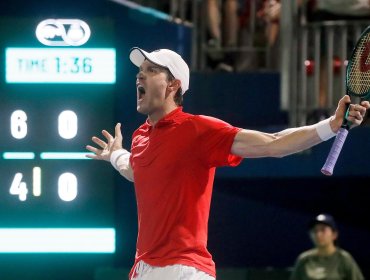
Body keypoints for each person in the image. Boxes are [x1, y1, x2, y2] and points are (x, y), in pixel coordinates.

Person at [85, 48, 369, 280]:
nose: (140, 76)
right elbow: (137, 172)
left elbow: (273, 143)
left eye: (151, 70)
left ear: (173, 85)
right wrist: (115, 155)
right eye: (139, 71)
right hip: (143, 269)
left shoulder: (198, 130)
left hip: (184, 270)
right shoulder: (140, 136)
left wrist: (330, 126)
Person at [290, 213, 364, 280]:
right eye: (315, 231)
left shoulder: (344, 259)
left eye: (323, 230)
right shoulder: (303, 259)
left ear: (334, 235)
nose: (318, 234)